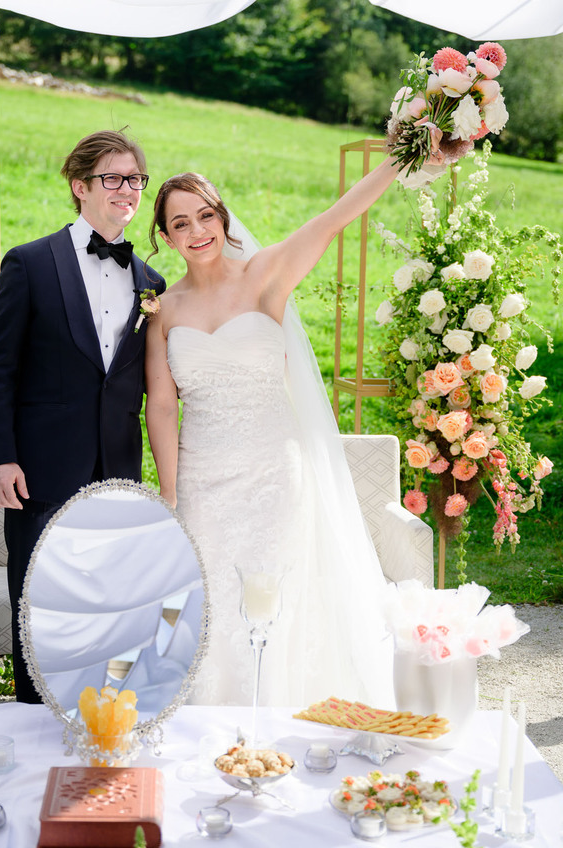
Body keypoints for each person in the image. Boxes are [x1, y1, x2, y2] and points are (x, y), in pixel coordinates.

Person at [144, 156, 442, 708]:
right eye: (180, 223)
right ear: (164, 236)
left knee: (274, 596)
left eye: (205, 215)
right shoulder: (163, 309)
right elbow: (161, 407)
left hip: (273, 473)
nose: (197, 231)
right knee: (207, 598)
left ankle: (273, 722)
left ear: (223, 218)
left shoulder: (264, 276)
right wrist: (169, 491)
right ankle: (207, 723)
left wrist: (401, 153)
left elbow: (334, 219)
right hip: (201, 476)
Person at [0, 129, 165, 702]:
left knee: (108, 605)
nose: (127, 190)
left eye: (134, 179)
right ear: (79, 186)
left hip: (116, 472)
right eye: (113, 178)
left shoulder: (151, 283)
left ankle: (101, 724)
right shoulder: (31, 263)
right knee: (38, 606)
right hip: (40, 468)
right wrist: (0, 458)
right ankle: (33, 726)